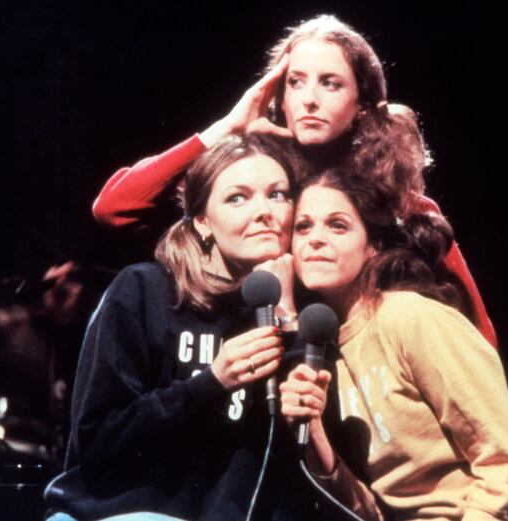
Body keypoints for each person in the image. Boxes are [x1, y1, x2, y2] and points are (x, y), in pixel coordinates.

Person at [89, 14, 497, 347]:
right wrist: (226, 128)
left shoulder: (402, 206)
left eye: (330, 83)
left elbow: (480, 339)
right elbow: (114, 209)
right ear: (278, 97)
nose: (309, 99)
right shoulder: (260, 188)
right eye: (295, 82)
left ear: (363, 105)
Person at [53, 134, 319, 520]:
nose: (265, 212)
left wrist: (288, 315)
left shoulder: (299, 310)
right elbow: (97, 443)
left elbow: (292, 463)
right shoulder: (145, 290)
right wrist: (211, 383)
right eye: (238, 198)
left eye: (278, 194)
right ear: (202, 222)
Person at [278, 169, 508, 520]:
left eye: (337, 225)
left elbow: (506, 460)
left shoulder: (411, 317)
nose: (314, 239)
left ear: (373, 246)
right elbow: (367, 510)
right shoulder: (327, 350)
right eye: (303, 227)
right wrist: (314, 433)